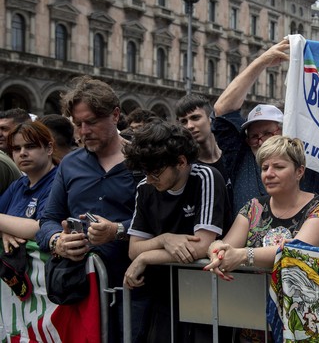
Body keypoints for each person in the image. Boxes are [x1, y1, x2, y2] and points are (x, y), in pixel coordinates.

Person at [37, 76, 147, 342]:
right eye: (78, 124)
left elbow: (163, 221)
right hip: (81, 291)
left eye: (92, 122)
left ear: (116, 115)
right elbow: (48, 219)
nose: (83, 131)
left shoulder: (143, 160)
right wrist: (57, 241)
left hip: (135, 290)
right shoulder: (70, 164)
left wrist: (118, 230)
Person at [205, 135, 319, 341]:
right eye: (265, 168)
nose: (269, 174)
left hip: (299, 321)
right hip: (251, 320)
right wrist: (216, 250)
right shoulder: (253, 206)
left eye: (278, 167)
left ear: (299, 171)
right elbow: (226, 245)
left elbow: (297, 251)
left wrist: (244, 255)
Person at [122, 120, 227, 342]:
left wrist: (146, 257)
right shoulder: (145, 187)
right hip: (164, 296)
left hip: (207, 295)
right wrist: (165, 239)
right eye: (146, 172)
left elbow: (201, 246)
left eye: (156, 173)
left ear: (181, 162)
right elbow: (133, 248)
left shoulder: (206, 177)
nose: (150, 179)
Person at [213, 39, 319, 212]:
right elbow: (222, 108)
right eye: (253, 136)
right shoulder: (240, 158)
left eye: (267, 133)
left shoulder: (309, 159)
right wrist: (263, 61)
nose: (260, 142)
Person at [0, 121, 58, 335]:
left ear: (49, 148)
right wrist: (5, 229)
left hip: (49, 301)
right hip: (18, 300)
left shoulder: (59, 182)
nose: (22, 153)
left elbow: (41, 228)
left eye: (30, 146)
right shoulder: (18, 185)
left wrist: (6, 224)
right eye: (16, 148)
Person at [176, 94, 233, 230]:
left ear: (210, 119)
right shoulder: (185, 167)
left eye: (195, 118)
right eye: (183, 121)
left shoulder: (231, 157)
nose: (189, 126)